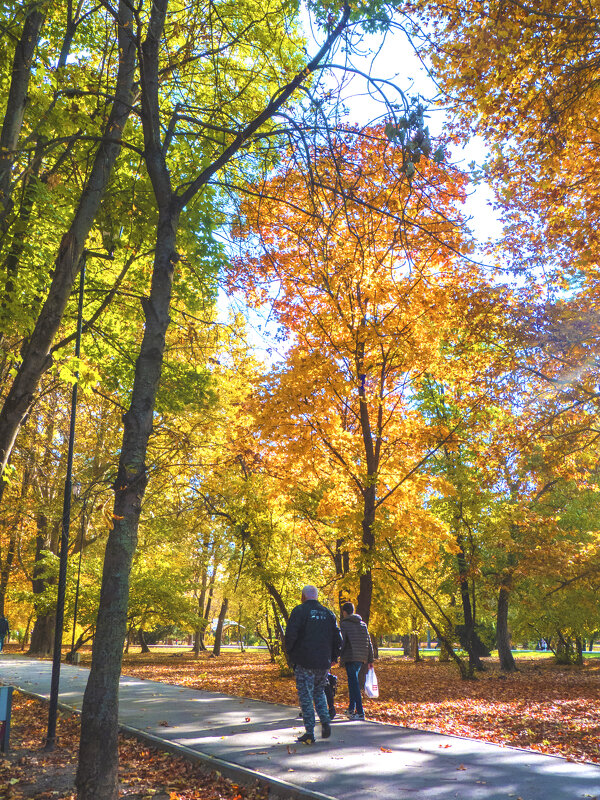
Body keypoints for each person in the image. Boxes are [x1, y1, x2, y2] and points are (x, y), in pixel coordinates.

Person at [285, 585, 342, 744]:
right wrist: (333, 657)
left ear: (303, 596)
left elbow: (290, 635)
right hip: (323, 662)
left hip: (304, 661)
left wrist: (290, 654)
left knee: (306, 696)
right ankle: (325, 720)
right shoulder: (329, 614)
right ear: (316, 596)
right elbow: (338, 639)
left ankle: (309, 731)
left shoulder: (299, 611)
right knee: (319, 692)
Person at [339, 601, 373, 721]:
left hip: (350, 656)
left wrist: (337, 654)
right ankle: (351, 708)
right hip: (361, 657)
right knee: (353, 682)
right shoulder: (362, 624)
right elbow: (369, 642)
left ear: (344, 612)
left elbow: (342, 641)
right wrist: (370, 659)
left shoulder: (344, 624)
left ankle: (360, 711)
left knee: (353, 684)